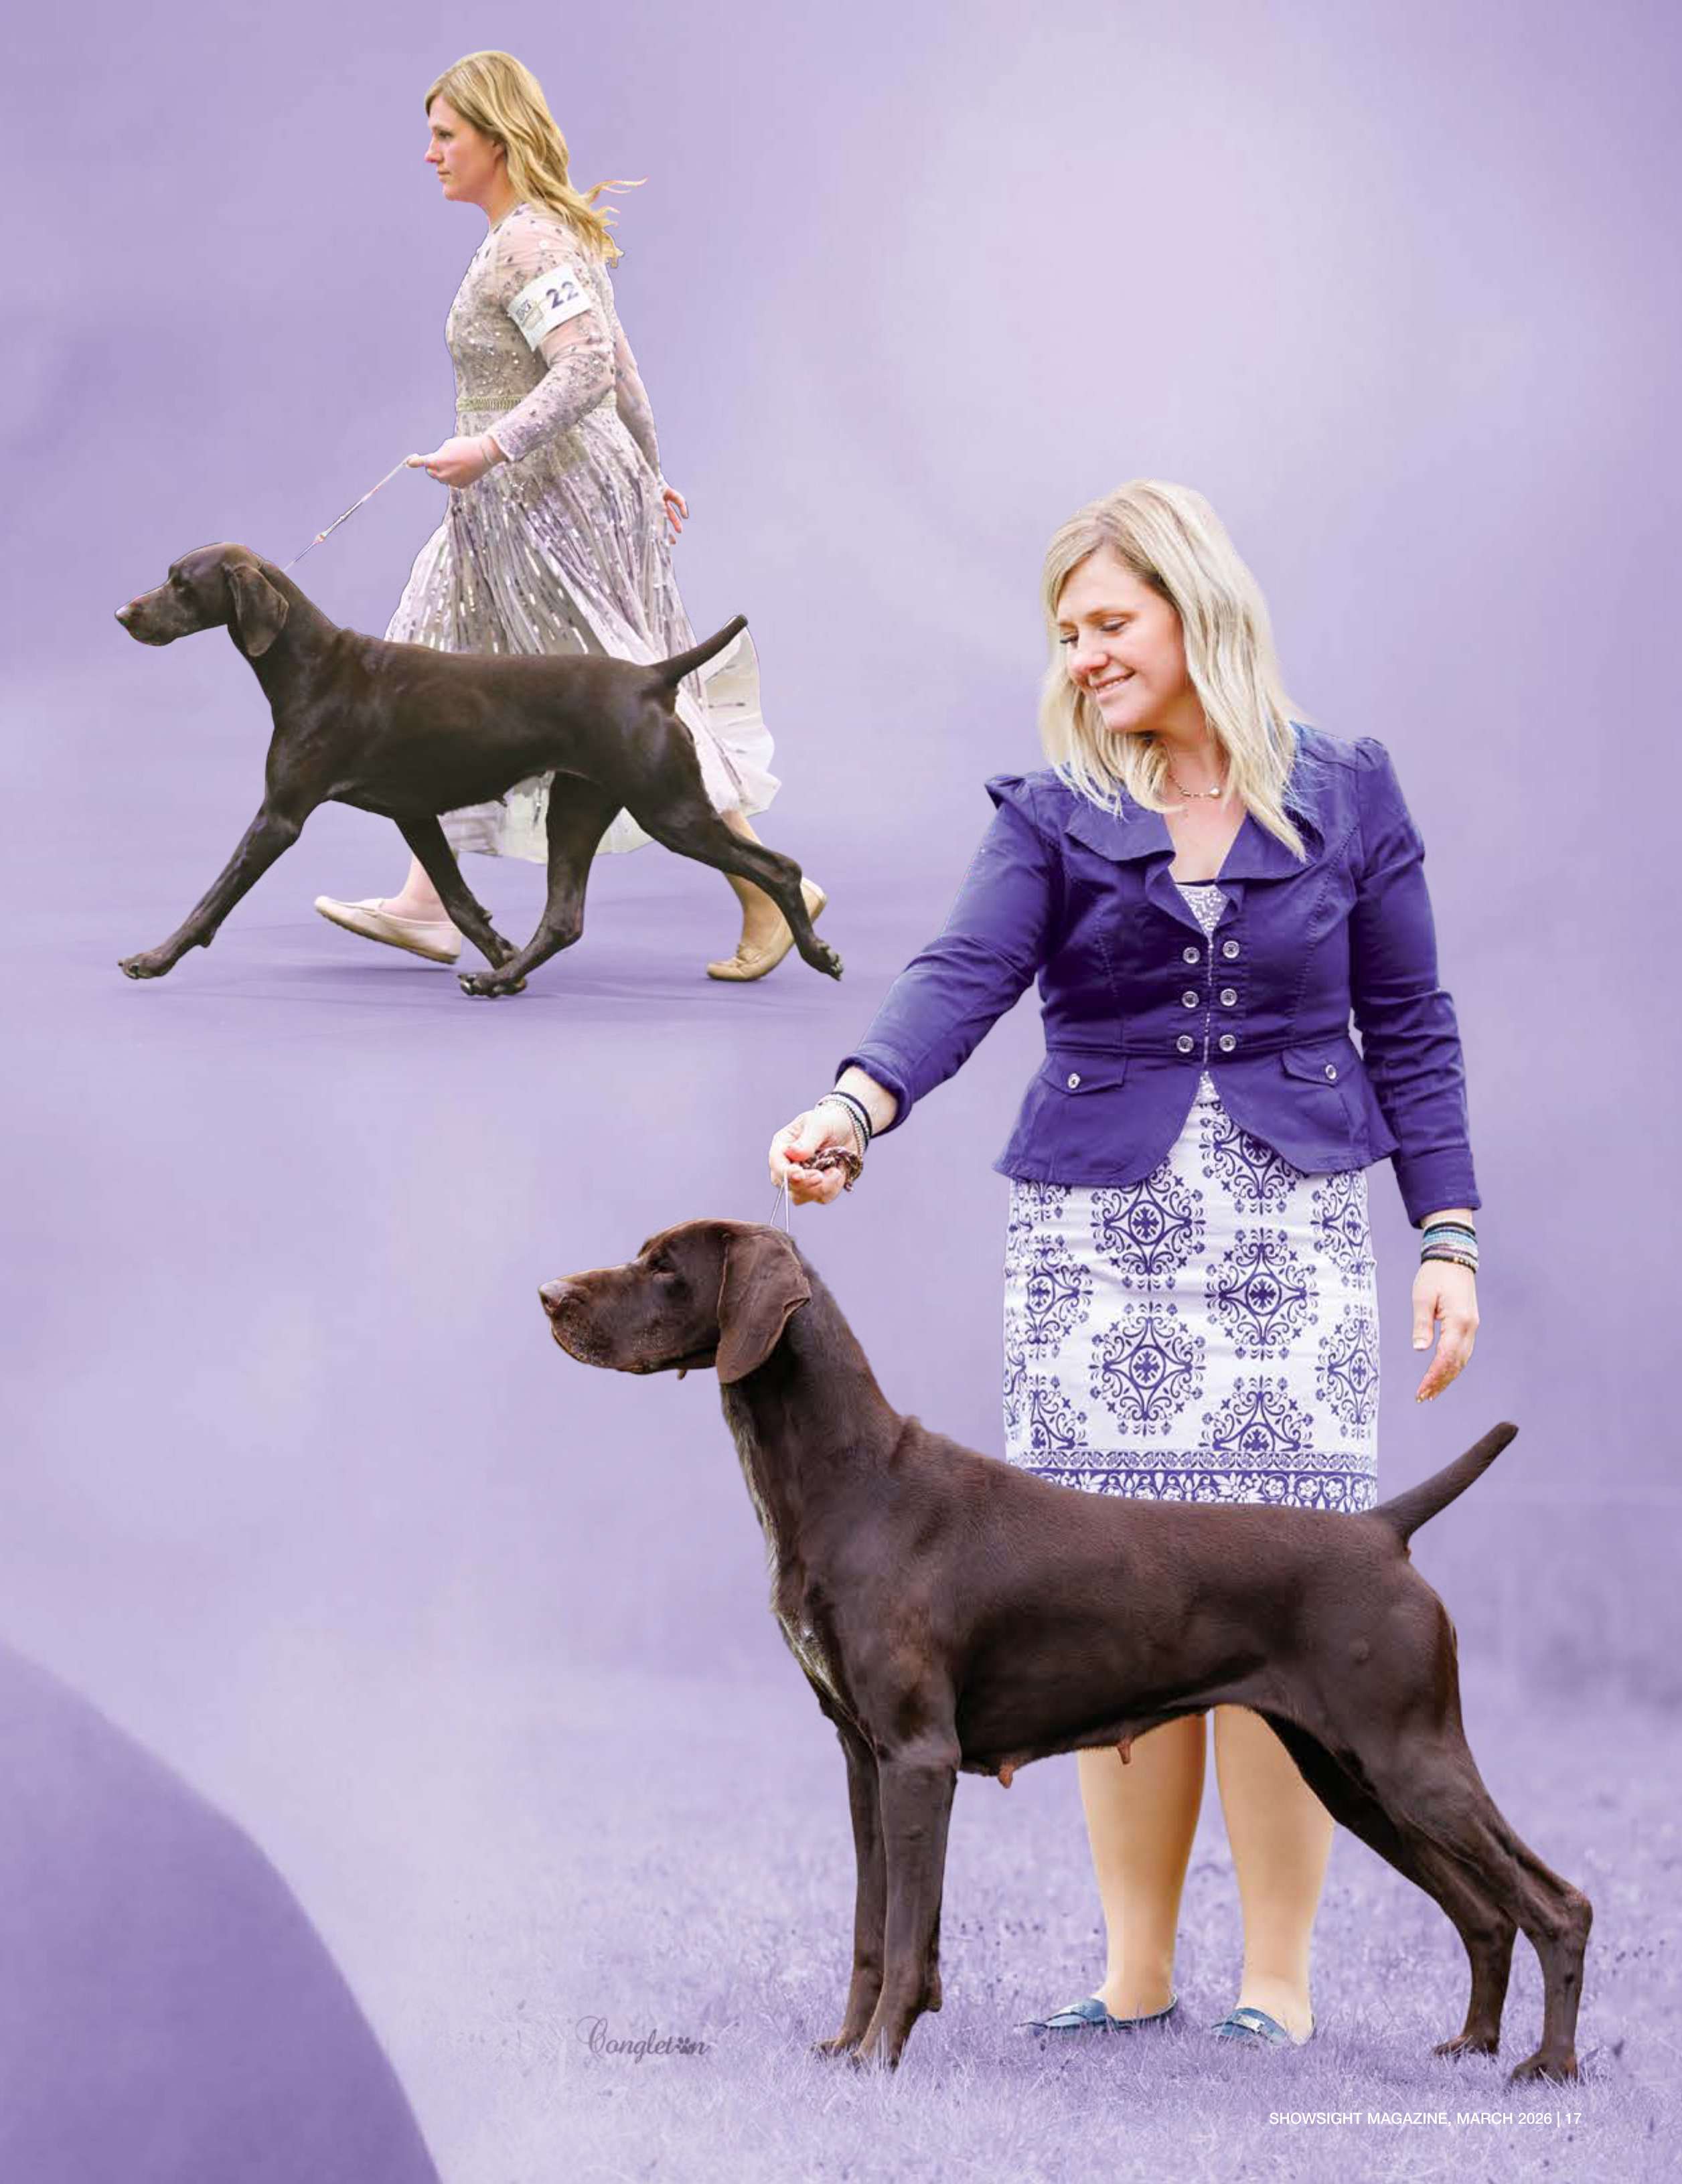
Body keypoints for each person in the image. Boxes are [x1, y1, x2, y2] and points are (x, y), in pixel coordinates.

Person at [767, 479, 1481, 2047]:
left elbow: (1409, 1024)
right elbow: (962, 971)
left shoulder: (1347, 789)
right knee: (1113, 1605)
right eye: (1066, 632)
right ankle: (1135, 1965)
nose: (1082, 654)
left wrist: (1445, 1231)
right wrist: (853, 1101)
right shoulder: (1049, 811)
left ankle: (1274, 1977)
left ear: (1193, 608)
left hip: (1290, 1241)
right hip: (1099, 1254)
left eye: (1109, 621)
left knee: (1282, 1598)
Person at [313, 48, 825, 981]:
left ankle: (766, 887)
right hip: (511, 504)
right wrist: (648, 471)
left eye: (445, 135)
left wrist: (492, 448)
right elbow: (620, 366)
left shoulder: (532, 244)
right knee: (443, 662)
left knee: (616, 687)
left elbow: (588, 364)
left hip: (545, 500)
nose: (430, 154)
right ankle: (428, 904)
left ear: (496, 138)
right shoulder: (534, 235)